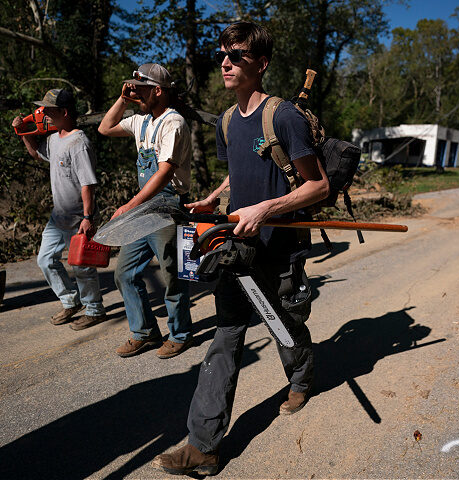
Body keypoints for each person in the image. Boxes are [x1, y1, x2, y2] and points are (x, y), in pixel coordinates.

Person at [151, 22, 330, 476]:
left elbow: (318, 185)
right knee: (226, 337)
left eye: (238, 55)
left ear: (261, 64)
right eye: (223, 54)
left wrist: (269, 207)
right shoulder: (228, 121)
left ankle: (301, 378)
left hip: (278, 247)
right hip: (237, 247)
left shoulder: (283, 116)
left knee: (284, 324)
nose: (226, 62)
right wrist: (215, 197)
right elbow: (241, 173)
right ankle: (203, 447)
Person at [98, 63, 193, 359]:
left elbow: (165, 172)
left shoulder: (173, 123)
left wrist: (129, 206)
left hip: (167, 206)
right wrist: (123, 100)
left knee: (171, 275)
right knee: (125, 273)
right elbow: (105, 128)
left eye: (139, 90)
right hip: (144, 207)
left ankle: (180, 334)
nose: (135, 93)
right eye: (133, 89)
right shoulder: (139, 120)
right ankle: (145, 332)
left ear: (158, 91)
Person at [12, 89, 107, 330]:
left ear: (64, 112)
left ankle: (94, 309)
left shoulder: (79, 143)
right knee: (45, 259)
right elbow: (35, 153)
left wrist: (87, 217)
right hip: (59, 216)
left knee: (82, 267)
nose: (43, 114)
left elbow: (87, 183)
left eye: (49, 110)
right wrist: (23, 132)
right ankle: (70, 301)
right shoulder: (54, 139)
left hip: (79, 217)